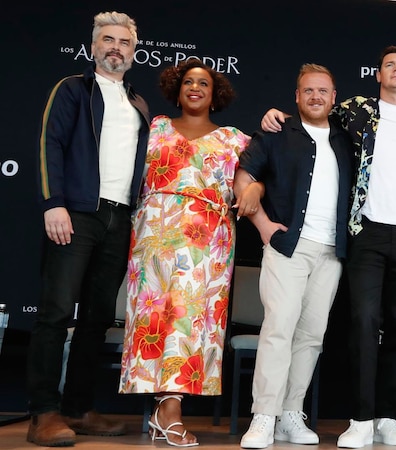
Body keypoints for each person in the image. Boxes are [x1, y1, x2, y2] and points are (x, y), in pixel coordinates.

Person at [261, 45, 396, 449]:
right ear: (378, 74)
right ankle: (360, 419)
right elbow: (313, 119)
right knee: (361, 324)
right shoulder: (356, 109)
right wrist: (278, 116)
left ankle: (388, 418)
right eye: (389, 64)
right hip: (367, 232)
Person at [28, 11, 148, 447]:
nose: (116, 47)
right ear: (94, 46)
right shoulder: (72, 89)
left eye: (124, 43)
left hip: (120, 218)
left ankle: (78, 408)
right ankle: (43, 413)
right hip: (76, 214)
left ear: (134, 53)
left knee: (97, 319)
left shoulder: (138, 103)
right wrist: (53, 203)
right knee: (56, 313)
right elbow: (49, 144)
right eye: (108, 40)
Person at [118, 59, 250, 447]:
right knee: (156, 317)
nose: (195, 88)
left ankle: (170, 410)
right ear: (177, 90)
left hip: (208, 242)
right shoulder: (154, 127)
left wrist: (253, 187)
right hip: (154, 234)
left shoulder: (234, 140)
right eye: (188, 82)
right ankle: (166, 411)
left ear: (215, 94)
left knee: (191, 320)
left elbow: (260, 172)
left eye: (203, 83)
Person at [234, 63, 353, 449]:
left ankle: (289, 415)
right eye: (308, 91)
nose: (316, 96)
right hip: (288, 247)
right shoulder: (276, 131)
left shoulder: (347, 139)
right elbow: (244, 175)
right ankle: (263, 417)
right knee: (278, 329)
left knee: (311, 336)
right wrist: (265, 227)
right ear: (297, 96)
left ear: (334, 98)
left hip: (331, 251)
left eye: (323, 91)